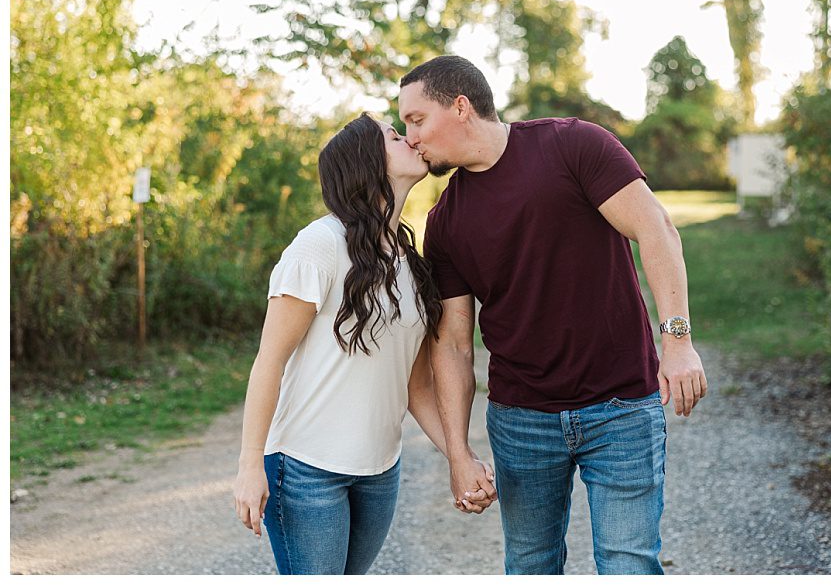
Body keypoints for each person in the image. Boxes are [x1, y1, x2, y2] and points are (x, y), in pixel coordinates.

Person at [398, 55, 708, 575]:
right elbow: (451, 344)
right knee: (531, 566)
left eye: (416, 120)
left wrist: (677, 342)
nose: (411, 138)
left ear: (460, 106)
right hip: (521, 420)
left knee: (629, 565)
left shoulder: (573, 145)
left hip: (622, 407)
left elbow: (656, 229)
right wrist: (457, 452)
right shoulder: (445, 223)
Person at [231, 113, 493, 575]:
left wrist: (461, 457)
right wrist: (251, 466)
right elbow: (268, 361)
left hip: (379, 473)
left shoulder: (410, 264)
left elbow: (416, 389)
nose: (411, 138)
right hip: (305, 470)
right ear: (367, 161)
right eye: (395, 135)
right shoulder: (320, 245)